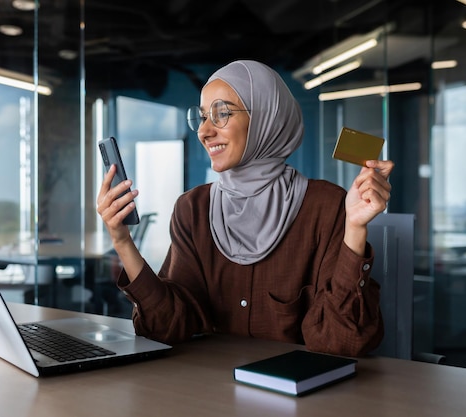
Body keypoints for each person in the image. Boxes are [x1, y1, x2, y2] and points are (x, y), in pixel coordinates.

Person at [96, 60, 394, 357]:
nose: (204, 132)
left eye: (221, 114)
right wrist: (122, 240)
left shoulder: (326, 207)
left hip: (300, 398)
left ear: (266, 118)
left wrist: (354, 228)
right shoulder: (193, 209)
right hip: (208, 394)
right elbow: (168, 327)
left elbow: (340, 342)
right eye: (201, 118)